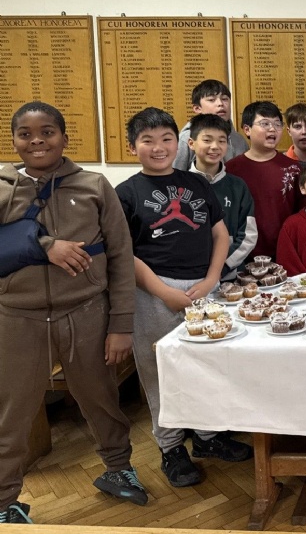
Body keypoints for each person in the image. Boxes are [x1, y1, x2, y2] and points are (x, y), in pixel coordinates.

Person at [0, 102, 147, 523]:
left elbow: (120, 256)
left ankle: (119, 470)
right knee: (12, 413)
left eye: (47, 132)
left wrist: (121, 325)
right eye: (25, 134)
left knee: (101, 398)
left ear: (65, 138)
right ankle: (5, 500)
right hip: (17, 316)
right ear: (14, 141)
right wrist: (46, 246)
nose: (37, 141)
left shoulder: (93, 186)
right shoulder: (3, 185)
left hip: (86, 312)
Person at [116, 107, 252, 490]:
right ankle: (172, 447)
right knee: (161, 371)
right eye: (148, 141)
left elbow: (221, 235)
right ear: (132, 147)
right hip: (154, 293)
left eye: (165, 139)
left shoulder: (196, 184)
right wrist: (164, 292)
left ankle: (208, 437)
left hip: (203, 288)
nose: (158, 148)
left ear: (178, 142)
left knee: (208, 364)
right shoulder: (125, 193)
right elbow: (124, 253)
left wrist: (211, 279)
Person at [224, 102, 303, 261]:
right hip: (241, 254)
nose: (272, 129)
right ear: (247, 129)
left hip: (284, 251)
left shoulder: (293, 168)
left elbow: (301, 212)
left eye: (277, 124)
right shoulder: (231, 169)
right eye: (265, 124)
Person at [187, 113, 258, 282]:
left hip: (230, 275)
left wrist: (222, 267)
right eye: (207, 140)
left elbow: (248, 235)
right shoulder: (180, 185)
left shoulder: (237, 186)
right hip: (190, 277)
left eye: (221, 140)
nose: (215, 146)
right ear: (191, 143)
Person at [172, 79, 247, 170]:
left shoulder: (239, 139)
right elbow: (175, 174)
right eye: (211, 100)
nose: (220, 104)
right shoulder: (186, 138)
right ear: (197, 108)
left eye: (224, 99)